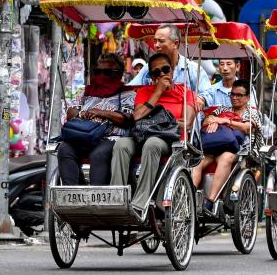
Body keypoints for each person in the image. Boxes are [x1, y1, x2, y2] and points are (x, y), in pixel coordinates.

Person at [111, 53, 197, 217]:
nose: (162, 75)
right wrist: (157, 93)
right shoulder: (145, 91)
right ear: (151, 77)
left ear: (172, 70)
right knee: (121, 145)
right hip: (140, 135)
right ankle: (117, 200)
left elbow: (186, 124)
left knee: (153, 143)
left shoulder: (186, 93)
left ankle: (140, 203)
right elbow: (136, 117)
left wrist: (153, 119)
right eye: (156, 73)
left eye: (165, 69)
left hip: (169, 141)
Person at [58, 53, 135, 186]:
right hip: (84, 135)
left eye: (107, 72)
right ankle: (72, 197)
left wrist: (102, 113)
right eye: (98, 71)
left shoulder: (127, 93)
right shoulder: (85, 91)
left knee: (98, 154)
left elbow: (127, 118)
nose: (101, 76)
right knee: (64, 149)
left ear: (119, 73)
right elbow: (70, 112)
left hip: (110, 137)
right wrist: (83, 113)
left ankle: (97, 199)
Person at [191, 79, 263, 212]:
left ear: (247, 97)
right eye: (232, 94)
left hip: (241, 151)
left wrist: (223, 121)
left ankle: (210, 201)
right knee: (197, 162)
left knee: (225, 158)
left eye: (239, 95)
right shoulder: (223, 109)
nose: (235, 98)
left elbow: (247, 128)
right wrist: (214, 122)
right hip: (215, 147)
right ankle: (189, 198)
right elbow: (208, 120)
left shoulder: (252, 112)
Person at [128, 24, 210, 97]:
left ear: (175, 44)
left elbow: (208, 95)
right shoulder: (148, 68)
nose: (156, 45)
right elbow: (131, 89)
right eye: (155, 41)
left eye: (161, 41)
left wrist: (200, 100)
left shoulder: (193, 69)